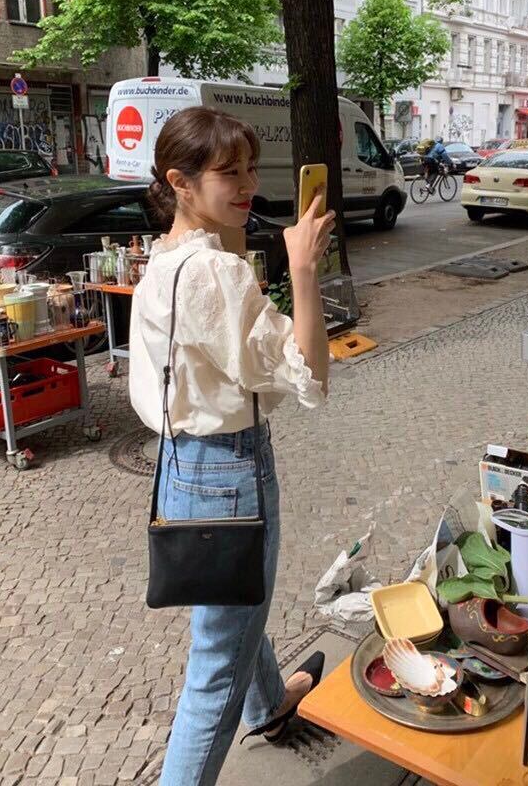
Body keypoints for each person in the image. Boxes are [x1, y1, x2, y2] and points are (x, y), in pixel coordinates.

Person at [129, 106, 335, 784]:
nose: (248, 185)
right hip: (230, 468)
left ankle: (269, 703)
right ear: (180, 182)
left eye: (250, 168)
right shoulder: (218, 273)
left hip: (181, 464)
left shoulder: (163, 258)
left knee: (231, 599)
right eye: (229, 173)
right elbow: (308, 378)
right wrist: (303, 270)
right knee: (216, 664)